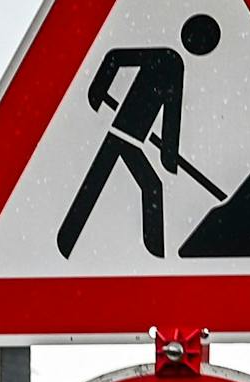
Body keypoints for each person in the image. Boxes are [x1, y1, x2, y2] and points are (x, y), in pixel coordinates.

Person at [56, 13, 220, 260]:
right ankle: (154, 256)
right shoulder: (168, 60)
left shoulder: (171, 62)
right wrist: (97, 90)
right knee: (140, 186)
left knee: (109, 183)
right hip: (122, 135)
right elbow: (116, 58)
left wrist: (169, 156)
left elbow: (170, 114)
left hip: (130, 140)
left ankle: (67, 241)